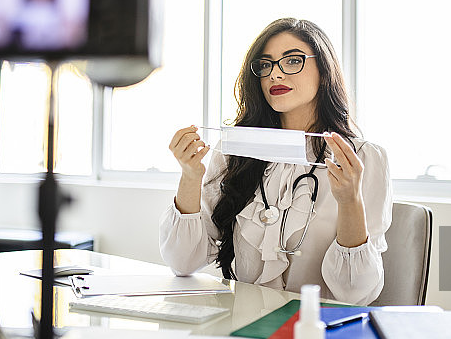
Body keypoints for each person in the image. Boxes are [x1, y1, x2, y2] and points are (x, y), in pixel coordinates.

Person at [160, 18, 392, 305]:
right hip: (241, 328)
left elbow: (356, 294)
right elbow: (182, 263)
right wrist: (190, 177)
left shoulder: (363, 158)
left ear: (324, 69)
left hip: (315, 331)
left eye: (293, 61)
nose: (275, 75)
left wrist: (349, 200)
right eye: (266, 64)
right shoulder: (236, 150)